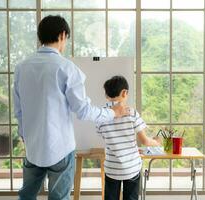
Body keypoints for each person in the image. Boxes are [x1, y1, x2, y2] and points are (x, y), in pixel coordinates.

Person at [13, 15, 129, 200]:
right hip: (60, 148)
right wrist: (112, 113)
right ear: (62, 35)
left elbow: (18, 110)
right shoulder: (67, 68)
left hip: (33, 147)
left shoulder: (22, 67)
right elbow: (83, 111)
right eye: (66, 38)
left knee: (26, 196)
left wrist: (24, 135)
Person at [96, 76, 162, 200]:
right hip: (131, 167)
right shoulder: (131, 113)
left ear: (106, 95)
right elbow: (145, 141)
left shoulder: (101, 116)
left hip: (112, 168)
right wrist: (157, 142)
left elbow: (103, 135)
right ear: (124, 93)